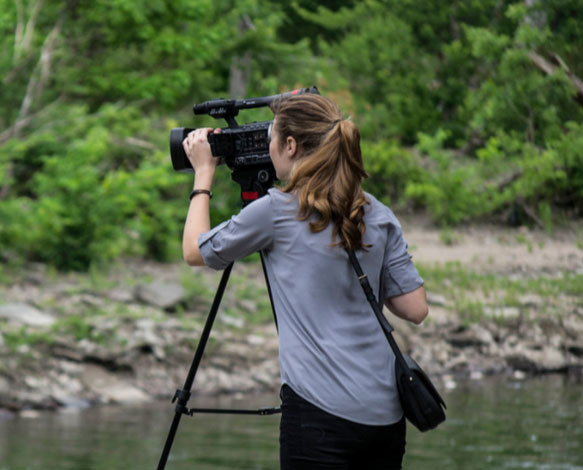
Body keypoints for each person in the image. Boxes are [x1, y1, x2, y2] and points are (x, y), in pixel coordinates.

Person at [180, 93, 429, 469]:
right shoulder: (376, 211)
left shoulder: (276, 211)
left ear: (291, 145)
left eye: (271, 137)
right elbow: (415, 309)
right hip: (386, 414)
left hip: (319, 414)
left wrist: (203, 175)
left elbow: (195, 252)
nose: (268, 146)